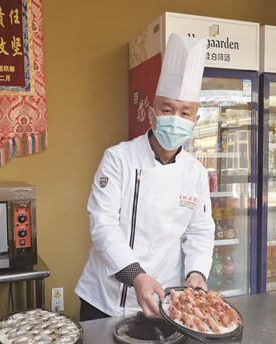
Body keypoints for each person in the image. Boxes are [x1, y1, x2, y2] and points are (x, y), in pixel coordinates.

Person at [75, 33, 215, 321]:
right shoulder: (118, 158)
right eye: (167, 109)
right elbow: (103, 224)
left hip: (162, 298)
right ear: (152, 114)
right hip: (105, 298)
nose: (175, 119)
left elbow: (200, 232)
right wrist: (136, 276)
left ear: (195, 121)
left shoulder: (196, 173)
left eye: (185, 113)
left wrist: (197, 273)